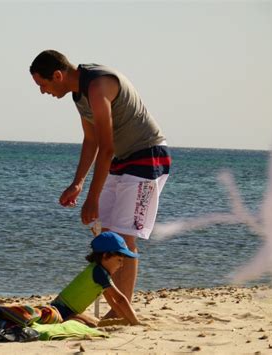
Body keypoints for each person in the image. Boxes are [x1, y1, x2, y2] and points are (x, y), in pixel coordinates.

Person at [30, 50, 171, 318]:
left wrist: (92, 198)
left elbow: (105, 148)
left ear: (58, 76)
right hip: (122, 157)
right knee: (106, 235)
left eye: (43, 84)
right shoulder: (78, 93)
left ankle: (121, 311)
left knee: (124, 238)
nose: (42, 91)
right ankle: (110, 304)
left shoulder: (98, 85)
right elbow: (91, 141)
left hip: (147, 155)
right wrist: (78, 183)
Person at [50, 231, 141, 327]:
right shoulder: (100, 273)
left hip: (63, 307)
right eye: (119, 260)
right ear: (105, 256)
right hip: (62, 311)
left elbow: (111, 300)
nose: (121, 265)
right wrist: (135, 322)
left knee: (95, 322)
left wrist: (125, 319)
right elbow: (120, 299)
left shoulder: (98, 269)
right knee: (91, 324)